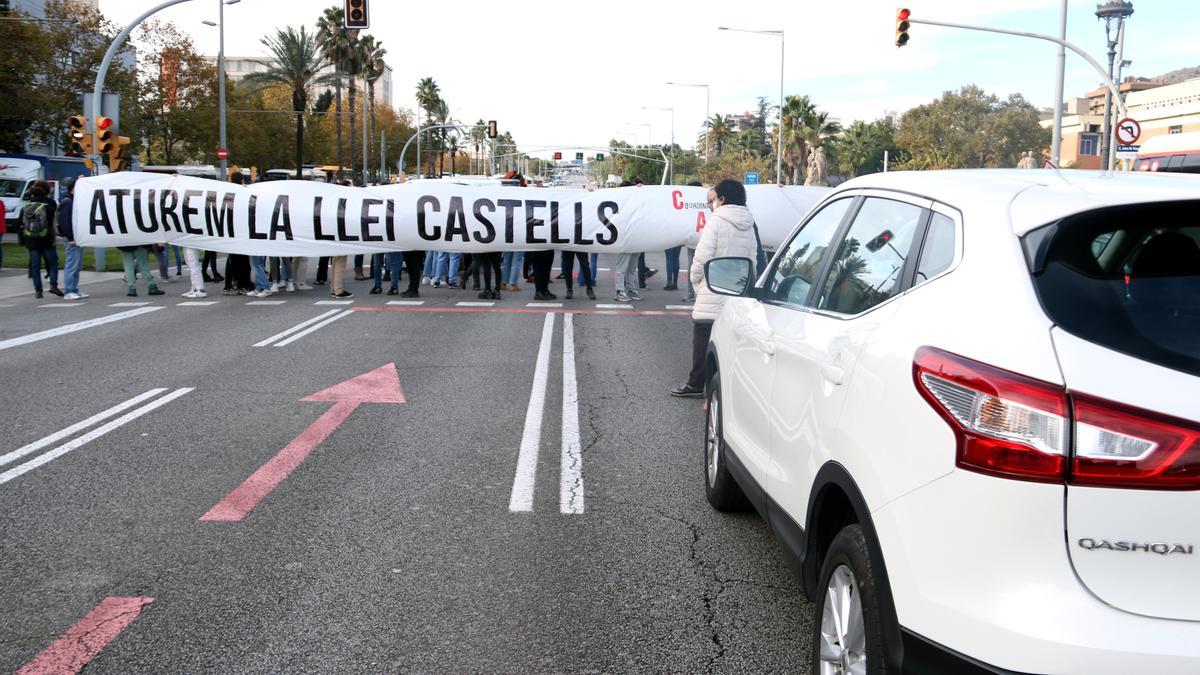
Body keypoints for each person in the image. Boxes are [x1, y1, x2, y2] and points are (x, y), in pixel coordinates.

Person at [671, 179, 757, 398]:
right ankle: (725, 385)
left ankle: (696, 383)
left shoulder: (716, 222)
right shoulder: (749, 223)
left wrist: (697, 284)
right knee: (730, 341)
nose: (709, 206)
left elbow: (701, 259)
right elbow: (753, 259)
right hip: (737, 290)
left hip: (713, 288)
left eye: (712, 201)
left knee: (702, 335)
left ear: (722, 199)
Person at [21, 181, 61, 298]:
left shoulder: (25, 208)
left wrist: (23, 240)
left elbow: (21, 225)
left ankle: (38, 290)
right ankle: (53, 285)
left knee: (35, 266)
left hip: (31, 241)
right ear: (44, 195)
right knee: (53, 263)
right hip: (47, 240)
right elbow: (53, 224)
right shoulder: (48, 207)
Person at [58, 178, 88, 300]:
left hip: (76, 236)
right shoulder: (68, 202)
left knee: (77, 264)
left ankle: (74, 289)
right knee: (72, 264)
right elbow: (66, 222)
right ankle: (69, 290)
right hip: (72, 237)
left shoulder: (71, 200)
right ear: (73, 189)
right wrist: (70, 237)